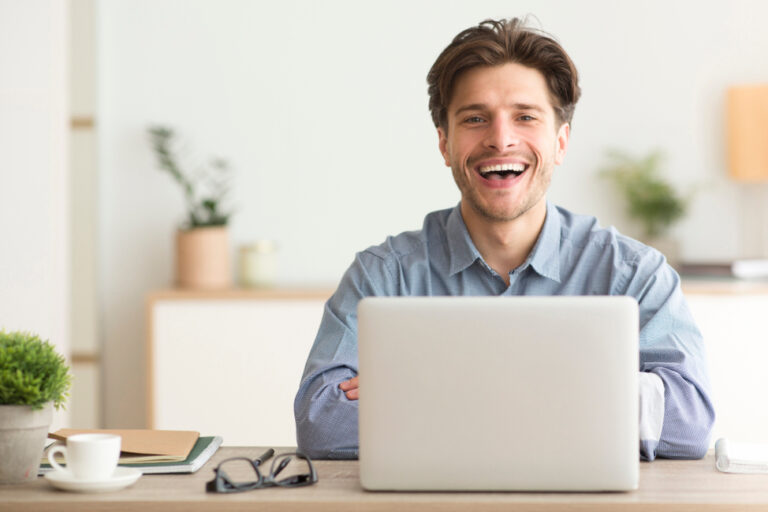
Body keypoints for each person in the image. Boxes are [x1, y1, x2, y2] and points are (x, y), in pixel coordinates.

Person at [294, 17, 715, 461]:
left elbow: (686, 423)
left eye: (525, 117)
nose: (501, 139)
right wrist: (587, 393)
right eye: (475, 119)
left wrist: (440, 387)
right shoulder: (382, 275)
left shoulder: (634, 274)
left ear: (560, 142)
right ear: (444, 144)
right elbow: (322, 422)